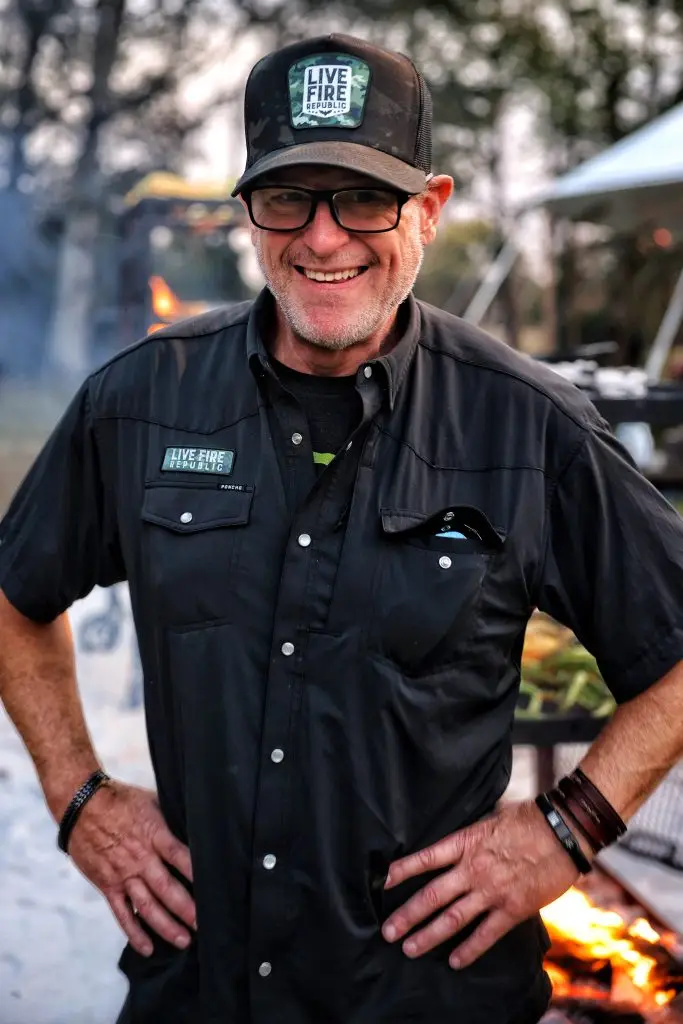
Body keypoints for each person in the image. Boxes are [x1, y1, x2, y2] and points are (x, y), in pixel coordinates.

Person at [1, 33, 683, 1024]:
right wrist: (78, 796)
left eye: (362, 196)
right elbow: (15, 596)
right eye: (289, 197)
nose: (323, 238)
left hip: (429, 998)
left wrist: (565, 828)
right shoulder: (140, 404)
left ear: (428, 208)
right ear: (249, 213)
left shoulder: (525, 425)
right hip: (198, 993)